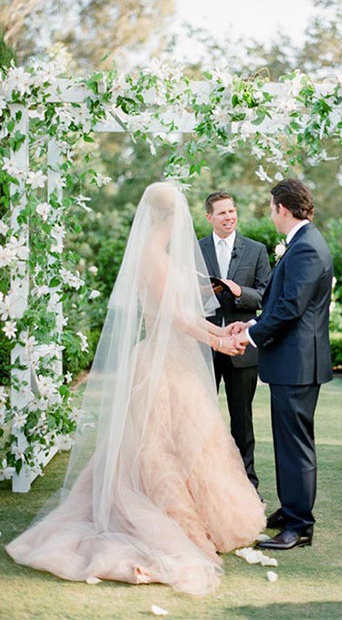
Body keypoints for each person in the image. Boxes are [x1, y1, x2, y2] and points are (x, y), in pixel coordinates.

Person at [6, 182, 265, 596]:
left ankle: (204, 517)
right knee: (154, 448)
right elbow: (170, 318)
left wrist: (221, 331)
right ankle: (165, 522)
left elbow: (188, 314)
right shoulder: (151, 258)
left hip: (179, 361)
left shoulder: (161, 255)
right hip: (159, 364)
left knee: (191, 444)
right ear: (171, 216)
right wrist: (218, 342)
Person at [231, 178, 333, 550]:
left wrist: (250, 338)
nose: (271, 214)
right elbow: (282, 303)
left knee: (296, 445)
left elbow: (292, 309)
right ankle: (291, 510)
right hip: (292, 362)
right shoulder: (302, 244)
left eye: (271, 208)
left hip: (298, 364)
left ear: (282, 209)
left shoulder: (306, 249)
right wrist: (252, 323)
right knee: (289, 441)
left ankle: (300, 526)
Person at [199, 192, 271, 491]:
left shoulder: (256, 250)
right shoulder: (194, 248)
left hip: (242, 347)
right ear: (209, 217)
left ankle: (247, 484)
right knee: (201, 416)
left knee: (242, 420)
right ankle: (205, 483)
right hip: (204, 344)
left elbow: (266, 295)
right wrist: (204, 293)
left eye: (232, 211)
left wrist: (239, 291)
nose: (229, 217)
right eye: (222, 213)